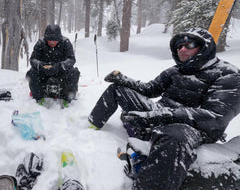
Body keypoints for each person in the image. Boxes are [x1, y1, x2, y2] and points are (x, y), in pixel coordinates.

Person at [88, 28, 240, 189]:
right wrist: (123, 79)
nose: (182, 49)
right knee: (117, 89)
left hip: (194, 128)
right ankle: (91, 126)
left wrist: (160, 115)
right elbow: (150, 89)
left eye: (189, 44)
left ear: (205, 47)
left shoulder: (228, 74)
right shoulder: (176, 70)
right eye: (179, 46)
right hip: (160, 114)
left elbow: (214, 116)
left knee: (174, 135)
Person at [26, 24, 80, 105]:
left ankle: (68, 97)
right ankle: (37, 96)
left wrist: (60, 66)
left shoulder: (66, 43)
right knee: (31, 73)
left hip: (61, 72)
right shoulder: (40, 43)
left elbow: (71, 59)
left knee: (74, 72)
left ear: (59, 39)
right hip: (43, 72)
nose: (52, 43)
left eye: (54, 41)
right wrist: (40, 65)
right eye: (49, 41)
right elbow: (33, 59)